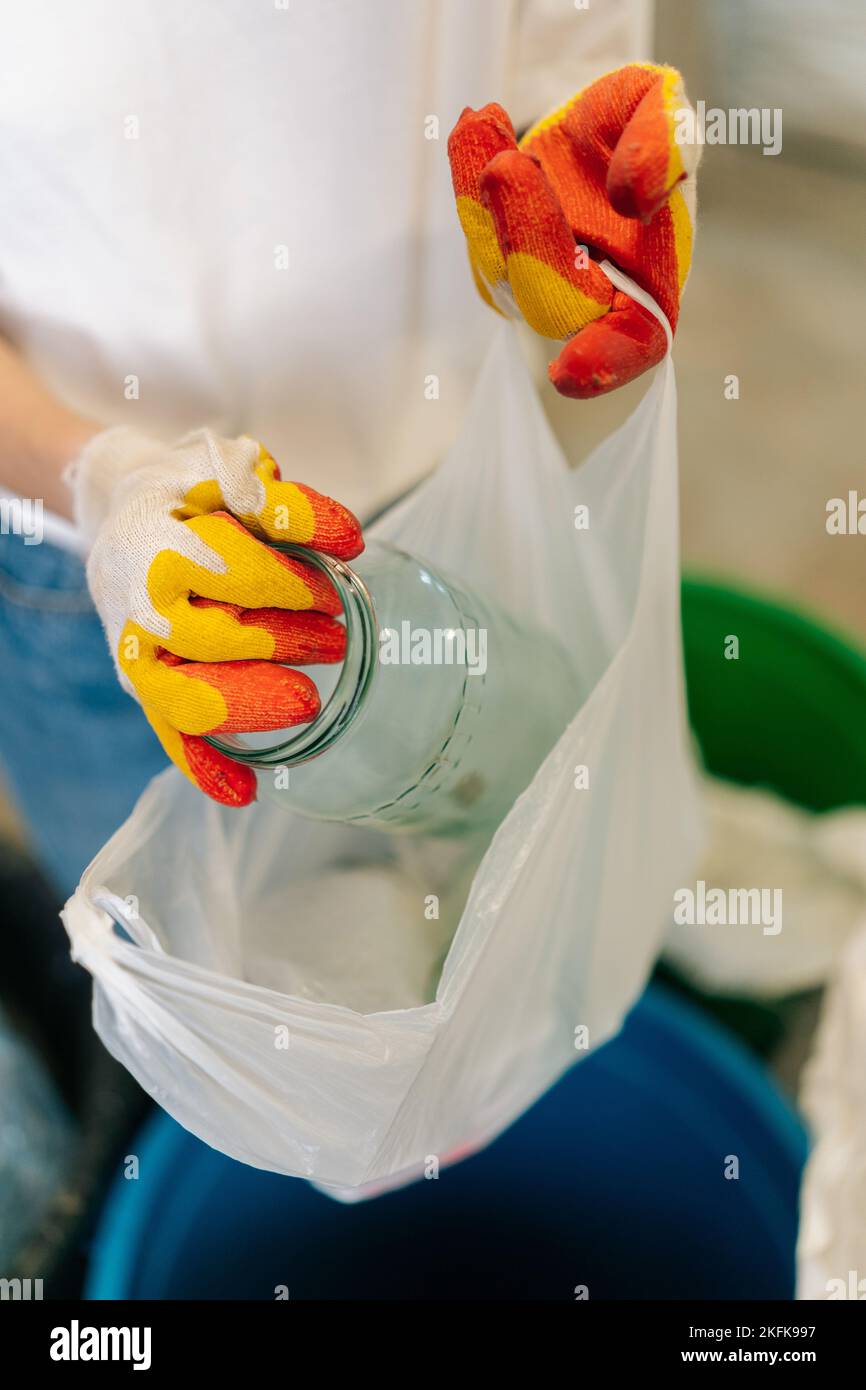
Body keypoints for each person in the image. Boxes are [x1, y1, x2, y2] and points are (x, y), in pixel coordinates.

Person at [0, 0, 697, 895]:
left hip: (436, 473)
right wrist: (104, 481)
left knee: (469, 885)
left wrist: (578, 189)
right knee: (169, 946)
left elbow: (563, 60)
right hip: (124, 567)